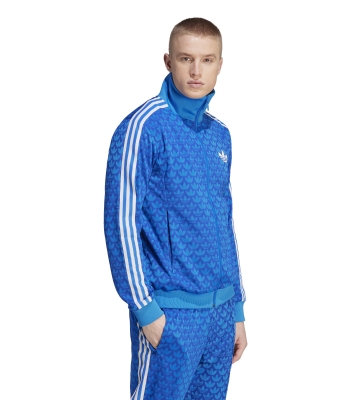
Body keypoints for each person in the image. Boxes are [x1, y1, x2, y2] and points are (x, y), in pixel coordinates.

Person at [103, 17, 247, 400]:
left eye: (207, 60)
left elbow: (224, 224)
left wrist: (236, 308)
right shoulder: (142, 128)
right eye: (186, 59)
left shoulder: (220, 135)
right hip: (172, 313)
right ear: (168, 61)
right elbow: (121, 224)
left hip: (220, 315)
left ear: (220, 65)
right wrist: (146, 311)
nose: (196, 71)